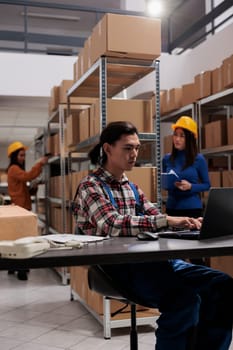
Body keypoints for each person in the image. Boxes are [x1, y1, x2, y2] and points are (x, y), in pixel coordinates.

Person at [74, 121, 233, 350]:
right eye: (128, 148)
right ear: (108, 149)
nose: (134, 154)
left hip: (152, 262)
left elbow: (155, 217)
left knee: (223, 285)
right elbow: (112, 223)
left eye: (137, 148)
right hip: (119, 268)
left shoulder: (132, 188)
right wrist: (167, 220)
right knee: (184, 300)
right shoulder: (91, 186)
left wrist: (189, 224)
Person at [7, 141, 48, 280]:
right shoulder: (13, 168)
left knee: (18, 239)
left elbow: (22, 190)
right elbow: (28, 176)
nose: (23, 158)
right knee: (22, 239)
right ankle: (21, 270)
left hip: (22, 207)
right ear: (14, 156)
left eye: (24, 155)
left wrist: (33, 188)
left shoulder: (15, 169)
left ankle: (14, 268)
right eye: (21, 155)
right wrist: (40, 163)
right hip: (20, 210)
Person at [162, 116, 211, 218]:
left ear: (190, 139)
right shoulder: (166, 159)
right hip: (171, 209)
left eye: (182, 136)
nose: (177, 139)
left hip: (192, 210)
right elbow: (163, 183)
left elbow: (207, 185)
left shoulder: (199, 159)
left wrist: (191, 186)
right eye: (175, 135)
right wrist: (170, 184)